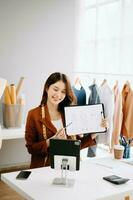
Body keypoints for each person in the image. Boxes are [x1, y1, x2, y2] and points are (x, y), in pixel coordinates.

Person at [25, 72, 108, 169]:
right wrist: (51, 141)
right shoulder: (33, 114)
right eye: (55, 89)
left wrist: (96, 131)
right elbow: (31, 148)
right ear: (47, 88)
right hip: (44, 168)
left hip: (69, 167)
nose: (58, 94)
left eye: (63, 91)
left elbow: (76, 145)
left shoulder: (69, 113)